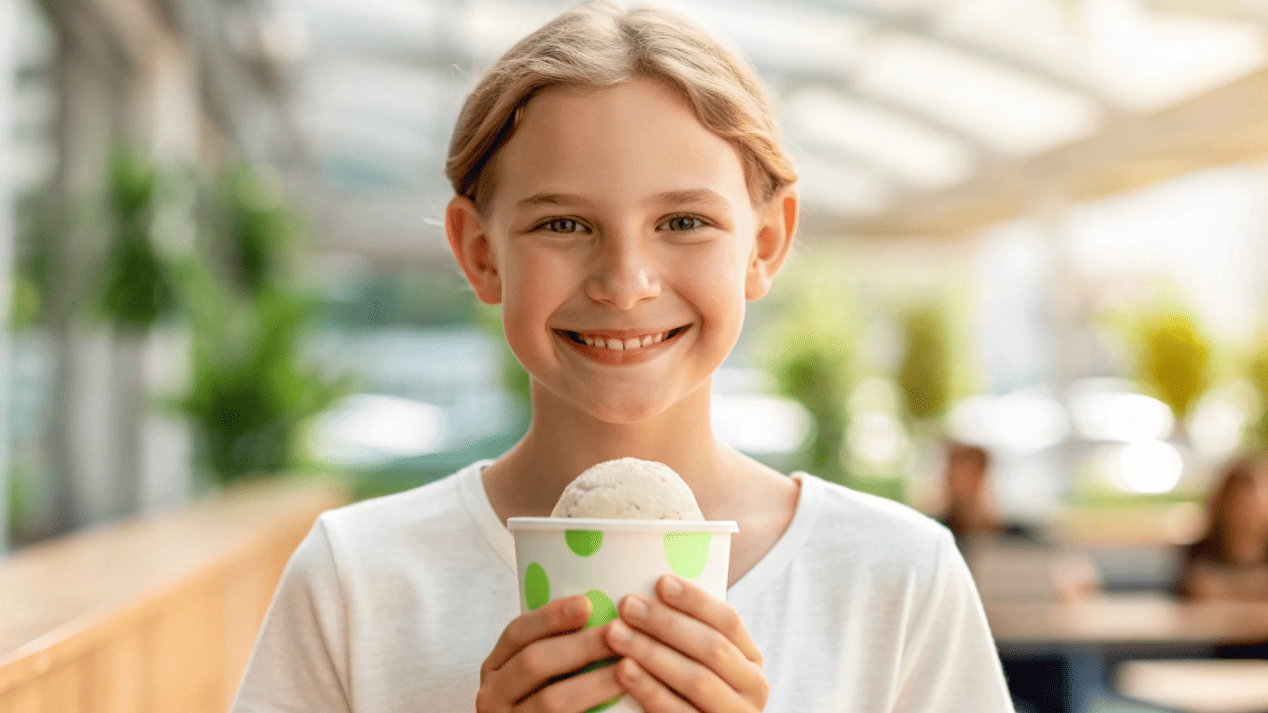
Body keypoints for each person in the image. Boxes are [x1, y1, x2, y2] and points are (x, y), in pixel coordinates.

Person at [230, 3, 1013, 711]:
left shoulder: (896, 579)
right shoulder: (358, 581)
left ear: (765, 244)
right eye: (564, 225)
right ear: (480, 252)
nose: (626, 284)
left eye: (682, 221)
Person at [1178, 453, 1268, 601]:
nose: (1246, 513)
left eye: (1252, 505)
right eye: (1238, 504)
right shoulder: (1199, 550)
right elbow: (1194, 589)